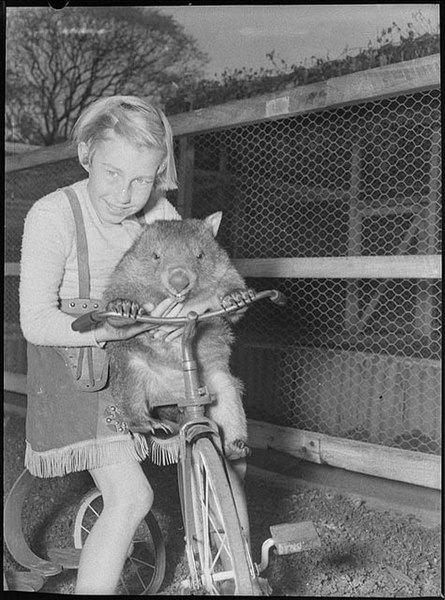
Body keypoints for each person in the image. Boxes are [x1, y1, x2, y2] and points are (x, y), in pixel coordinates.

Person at [19, 96, 186, 594]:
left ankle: (233, 559)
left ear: (160, 173)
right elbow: (34, 320)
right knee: (132, 496)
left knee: (222, 431)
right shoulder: (54, 216)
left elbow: (184, 287)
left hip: (142, 360)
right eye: (112, 173)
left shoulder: (160, 213)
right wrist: (103, 332)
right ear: (87, 152)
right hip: (80, 369)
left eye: (142, 179)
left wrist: (180, 316)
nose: (124, 194)